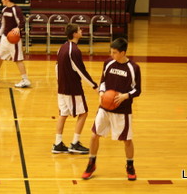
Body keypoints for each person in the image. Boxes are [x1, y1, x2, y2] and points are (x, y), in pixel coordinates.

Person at [82, 38, 141, 181]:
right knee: (94, 135)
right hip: (104, 108)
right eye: (111, 52)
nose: (112, 54)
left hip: (123, 110)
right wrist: (102, 93)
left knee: (127, 140)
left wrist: (125, 96)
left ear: (123, 52)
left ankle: (130, 165)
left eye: (114, 52)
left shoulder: (134, 68)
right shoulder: (108, 63)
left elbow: (137, 90)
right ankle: (91, 163)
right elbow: (103, 81)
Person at [52, 23, 98, 154]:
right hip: (72, 89)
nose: (81, 30)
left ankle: (57, 143)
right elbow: (81, 71)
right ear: (74, 34)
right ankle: (75, 143)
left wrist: (59, 83)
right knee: (83, 113)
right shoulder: (74, 51)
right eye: (79, 29)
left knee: (63, 114)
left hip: (62, 88)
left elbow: (56, 67)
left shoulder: (62, 48)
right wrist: (94, 86)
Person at [0, 0, 31, 88]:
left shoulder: (16, 9)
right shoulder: (4, 10)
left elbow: (22, 22)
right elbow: (3, 25)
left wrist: (18, 28)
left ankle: (25, 80)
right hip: (5, 37)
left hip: (14, 39)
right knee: (0, 56)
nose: (1, 0)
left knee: (18, 59)